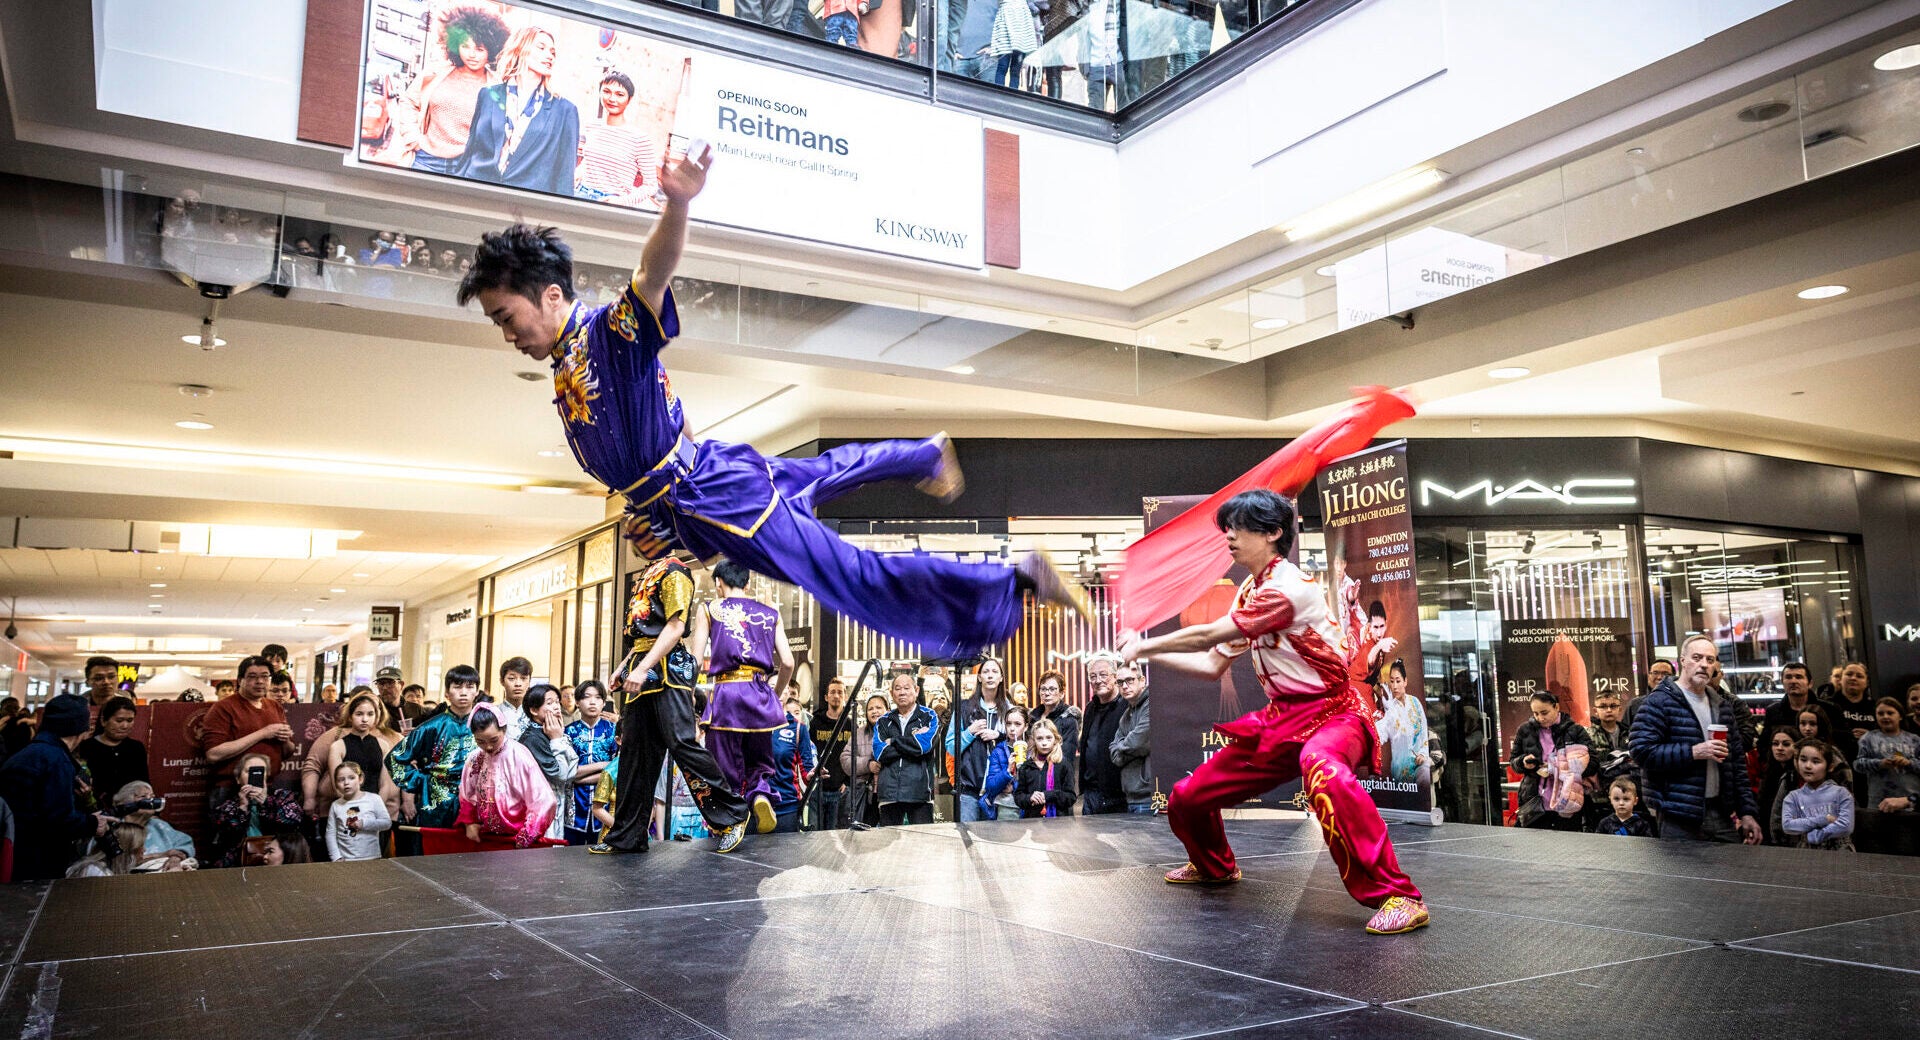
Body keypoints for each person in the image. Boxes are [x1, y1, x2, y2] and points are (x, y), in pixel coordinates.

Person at [457, 152, 1089, 665]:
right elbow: (659, 432)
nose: (507, 333)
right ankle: (920, 452)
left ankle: (1014, 578)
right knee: (822, 474)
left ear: (548, 294)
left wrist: (678, 202)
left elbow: (652, 273)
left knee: (851, 578)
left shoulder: (607, 336)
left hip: (710, 493)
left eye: (506, 317)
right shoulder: (570, 361)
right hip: (698, 492)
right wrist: (659, 518)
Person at [1123, 489, 1428, 935]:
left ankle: (1399, 895)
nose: (1228, 536)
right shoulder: (1250, 590)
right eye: (1227, 527)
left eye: (1238, 527)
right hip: (1283, 719)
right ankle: (1214, 866)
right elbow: (1212, 664)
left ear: (1272, 533)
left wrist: (1145, 643)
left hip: (1336, 713)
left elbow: (1211, 634)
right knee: (1188, 796)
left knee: (1321, 767)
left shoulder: (1287, 588)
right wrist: (1143, 657)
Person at [597, 556, 750, 855]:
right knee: (635, 751)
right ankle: (628, 835)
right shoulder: (648, 572)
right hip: (645, 666)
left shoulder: (676, 570)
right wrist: (625, 666)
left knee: (681, 743)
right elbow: (643, 635)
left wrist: (641, 668)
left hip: (667, 671)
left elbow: (675, 627)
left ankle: (731, 817)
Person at [1628, 634, 1762, 844]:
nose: (1703, 665)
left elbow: (1736, 763)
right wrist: (1693, 752)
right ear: (1682, 661)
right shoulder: (1659, 702)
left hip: (1721, 811)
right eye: (1697, 658)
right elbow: (1641, 751)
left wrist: (1747, 812)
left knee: (1731, 873)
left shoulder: (1721, 705)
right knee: (1683, 876)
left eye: (1710, 660)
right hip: (1678, 814)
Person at [692, 558, 792, 833]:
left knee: (723, 763)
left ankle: (730, 819)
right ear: (747, 583)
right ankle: (760, 794)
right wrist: (776, 695)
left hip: (726, 694)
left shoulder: (709, 609)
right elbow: (789, 662)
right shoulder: (770, 613)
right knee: (759, 760)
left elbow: (695, 660)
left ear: (718, 583)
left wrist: (687, 694)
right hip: (760, 694)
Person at [455, 26, 580, 195]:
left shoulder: (565, 111)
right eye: (541, 48)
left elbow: (565, 177)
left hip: (527, 206)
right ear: (520, 49)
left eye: (552, 52)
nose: (549, 55)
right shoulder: (488, 95)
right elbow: (470, 151)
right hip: (478, 192)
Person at [0, 695, 109, 881]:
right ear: (80, 727)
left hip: (12, 850)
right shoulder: (56, 760)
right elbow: (58, 819)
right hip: (37, 860)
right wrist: (91, 823)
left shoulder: (29, 753)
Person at [388, 665, 482, 836]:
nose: (463, 692)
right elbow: (395, 759)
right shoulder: (431, 726)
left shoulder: (484, 724)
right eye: (457, 687)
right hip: (437, 801)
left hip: (477, 801)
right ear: (447, 692)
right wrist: (422, 781)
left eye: (469, 687)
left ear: (477, 691)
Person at [456, 703, 558, 848]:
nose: (488, 747)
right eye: (480, 742)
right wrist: (470, 823)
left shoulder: (519, 755)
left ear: (503, 730)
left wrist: (526, 836)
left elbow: (544, 800)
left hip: (517, 838)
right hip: (486, 837)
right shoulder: (475, 758)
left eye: (494, 740)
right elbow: (466, 794)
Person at [1508, 692, 1593, 830]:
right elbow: (1513, 761)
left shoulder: (1575, 730)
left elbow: (1592, 763)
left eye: (1544, 712)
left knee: (1567, 847)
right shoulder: (1525, 730)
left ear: (1557, 707)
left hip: (1567, 801)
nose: (1540, 718)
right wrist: (1523, 762)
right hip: (1534, 801)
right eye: (1535, 714)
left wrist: (1557, 768)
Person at [574, 72, 661, 205]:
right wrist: (578, 172)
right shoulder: (591, 126)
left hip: (612, 203)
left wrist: (621, 201)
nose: (612, 99)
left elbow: (651, 186)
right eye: (607, 92)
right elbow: (589, 161)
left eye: (620, 94)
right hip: (580, 194)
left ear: (629, 99)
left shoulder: (640, 139)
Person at [201, 656, 295, 776]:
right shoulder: (223, 707)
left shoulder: (274, 706)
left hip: (269, 785)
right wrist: (263, 733)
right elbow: (213, 754)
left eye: (265, 676)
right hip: (231, 787)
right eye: (252, 676)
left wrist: (285, 739)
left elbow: (288, 752)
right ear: (240, 681)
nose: (260, 681)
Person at [209, 752, 306, 868]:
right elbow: (226, 835)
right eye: (248, 771)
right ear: (238, 778)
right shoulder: (228, 805)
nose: (254, 775)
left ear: (267, 776)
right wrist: (242, 807)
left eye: (260, 770)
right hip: (239, 861)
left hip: (279, 859)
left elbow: (294, 821)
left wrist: (266, 802)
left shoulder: (282, 796)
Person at [949, 657, 1015, 823]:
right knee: (968, 841)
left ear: (1001, 678)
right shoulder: (964, 707)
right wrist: (969, 732)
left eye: (995, 672)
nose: (990, 676)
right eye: (986, 672)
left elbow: (1020, 743)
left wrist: (999, 735)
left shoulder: (1010, 710)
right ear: (979, 677)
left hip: (1001, 790)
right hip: (969, 789)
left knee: (996, 843)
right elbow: (950, 747)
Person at [1854, 697, 1919, 856]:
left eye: (1890, 713)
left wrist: (1909, 763)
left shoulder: (1915, 740)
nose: (1885, 716)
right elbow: (1858, 765)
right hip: (1878, 802)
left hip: (1910, 803)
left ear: (1900, 716)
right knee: (1880, 849)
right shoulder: (1868, 738)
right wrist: (1879, 763)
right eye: (1880, 713)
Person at [516, 684, 579, 842]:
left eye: (557, 702)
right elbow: (561, 774)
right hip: (539, 807)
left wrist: (558, 736)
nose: (557, 707)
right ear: (534, 710)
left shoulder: (551, 730)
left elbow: (573, 769)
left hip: (556, 803)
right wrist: (557, 739)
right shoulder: (532, 738)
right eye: (550, 703)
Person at [874, 674, 939, 826]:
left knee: (922, 843)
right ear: (892, 694)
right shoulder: (883, 721)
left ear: (916, 690)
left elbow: (923, 746)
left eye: (906, 688)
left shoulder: (929, 716)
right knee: (888, 843)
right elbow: (880, 753)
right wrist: (911, 742)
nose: (902, 692)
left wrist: (894, 741)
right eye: (897, 689)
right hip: (889, 793)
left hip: (919, 793)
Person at [563, 680, 617, 844]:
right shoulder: (569, 732)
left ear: (603, 702)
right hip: (574, 803)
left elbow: (616, 770)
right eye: (587, 697)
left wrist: (578, 776)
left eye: (598, 697)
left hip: (606, 805)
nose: (592, 702)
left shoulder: (612, 731)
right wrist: (603, 765)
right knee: (572, 855)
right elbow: (566, 771)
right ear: (578, 702)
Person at [1781, 738, 1855, 851]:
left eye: (1816, 761)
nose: (1808, 766)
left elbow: (1846, 826)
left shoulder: (1841, 793)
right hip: (1806, 850)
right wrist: (1823, 819)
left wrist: (1817, 835)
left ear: (1830, 767)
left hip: (1840, 850)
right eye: (1803, 760)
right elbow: (1788, 825)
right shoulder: (1793, 797)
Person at [76, 696, 148, 811]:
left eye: (130, 720)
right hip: (94, 811)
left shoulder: (136, 748)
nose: (125, 726)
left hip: (131, 811)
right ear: (104, 721)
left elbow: (144, 782)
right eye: (119, 721)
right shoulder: (86, 747)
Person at [1079, 653, 1127, 815]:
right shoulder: (1090, 708)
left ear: (1115, 677)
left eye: (1103, 675)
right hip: (1091, 794)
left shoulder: (1127, 707)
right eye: (1093, 676)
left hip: (1118, 795)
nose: (1098, 680)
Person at [110, 781, 195, 864]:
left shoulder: (158, 825)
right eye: (143, 796)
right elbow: (121, 862)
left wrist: (176, 857)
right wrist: (162, 855)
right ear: (126, 803)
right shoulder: (115, 827)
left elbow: (185, 844)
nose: (151, 801)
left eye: (152, 796)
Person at [326, 762, 392, 862]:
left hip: (372, 858)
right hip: (345, 861)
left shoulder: (374, 799)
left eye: (351, 778)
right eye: (341, 780)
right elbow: (330, 833)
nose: (346, 783)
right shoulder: (336, 805)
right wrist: (336, 857)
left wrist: (364, 824)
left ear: (360, 779)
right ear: (336, 784)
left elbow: (386, 823)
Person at [840, 693, 889, 829]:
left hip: (890, 794)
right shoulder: (859, 733)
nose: (875, 711)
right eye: (870, 709)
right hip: (865, 794)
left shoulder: (895, 732)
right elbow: (845, 760)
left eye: (879, 707)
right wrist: (868, 765)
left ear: (888, 710)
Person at [1378, 660, 1430, 786]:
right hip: (1401, 772)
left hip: (1419, 766)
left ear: (1405, 681)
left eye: (1398, 681)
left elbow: (1423, 733)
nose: (1394, 686)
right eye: (1391, 681)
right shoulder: (1390, 708)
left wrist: (1423, 754)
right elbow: (1380, 734)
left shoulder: (1415, 703)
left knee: (1424, 778)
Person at [1110, 663, 1153, 814]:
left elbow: (1138, 742)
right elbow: (1114, 754)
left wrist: (1122, 746)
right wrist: (1127, 747)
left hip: (1150, 797)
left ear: (1142, 680)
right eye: (1120, 682)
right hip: (1132, 797)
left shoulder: (1153, 705)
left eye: (1130, 680)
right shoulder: (1125, 716)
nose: (1125, 686)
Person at [810, 678, 852, 829]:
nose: (836, 696)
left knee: (836, 837)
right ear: (826, 697)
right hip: (818, 789)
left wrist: (847, 782)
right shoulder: (815, 723)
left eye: (840, 692)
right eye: (832, 692)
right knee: (814, 834)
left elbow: (854, 755)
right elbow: (809, 752)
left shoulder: (850, 724)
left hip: (840, 790)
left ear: (845, 697)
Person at [767, 708, 816, 833]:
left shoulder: (798, 728)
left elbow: (807, 771)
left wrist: (812, 776)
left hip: (786, 807)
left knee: (788, 852)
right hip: (754, 807)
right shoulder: (752, 723)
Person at [1017, 717, 1076, 818]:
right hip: (1033, 822)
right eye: (1039, 738)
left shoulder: (1063, 764)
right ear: (1033, 740)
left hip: (1060, 823)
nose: (1044, 743)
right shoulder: (1026, 766)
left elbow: (1071, 797)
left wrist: (1048, 795)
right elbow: (1018, 796)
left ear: (1055, 739)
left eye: (1049, 738)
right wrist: (1030, 797)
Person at [1030, 669, 1080, 784]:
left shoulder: (1069, 719)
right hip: (1033, 778)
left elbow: (1067, 756)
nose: (1047, 693)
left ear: (1062, 693)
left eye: (1052, 689)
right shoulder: (1033, 717)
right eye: (1043, 689)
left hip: (1058, 779)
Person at [979, 707, 1028, 819]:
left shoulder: (1032, 750)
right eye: (1008, 724)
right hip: (1006, 808)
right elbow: (990, 786)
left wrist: (1014, 787)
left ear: (1026, 727)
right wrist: (1007, 772)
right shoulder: (998, 751)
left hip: (1029, 808)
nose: (1012, 728)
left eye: (1017, 724)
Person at [1822, 663, 1876, 762]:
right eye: (1849, 674)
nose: (1853, 678)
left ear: (1866, 682)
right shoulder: (1827, 705)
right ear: (1841, 679)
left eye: (1859, 676)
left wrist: (1870, 736)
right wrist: (1849, 736)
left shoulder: (1876, 707)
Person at [65, 822, 155, 878]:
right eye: (140, 846)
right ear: (128, 850)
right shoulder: (95, 872)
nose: (144, 850)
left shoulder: (105, 870)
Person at [1757, 728, 1799, 844]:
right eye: (1775, 744)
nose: (1779, 748)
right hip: (1767, 835)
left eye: (1786, 744)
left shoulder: (1798, 776)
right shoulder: (1769, 772)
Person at [1763, 662, 1824, 736]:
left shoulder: (1828, 710)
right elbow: (1765, 743)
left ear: (1810, 683)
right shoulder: (1773, 712)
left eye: (1799, 677)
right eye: (1788, 677)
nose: (1793, 681)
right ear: (1782, 683)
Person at [1586, 776, 1653, 838]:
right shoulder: (1604, 823)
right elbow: (1598, 844)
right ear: (1611, 800)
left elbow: (1646, 847)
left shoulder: (1642, 825)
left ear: (1635, 801)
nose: (1621, 803)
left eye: (1626, 799)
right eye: (1616, 799)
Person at [495, 657, 533, 741]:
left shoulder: (536, 713)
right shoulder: (493, 712)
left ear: (529, 681)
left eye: (523, 678)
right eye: (511, 679)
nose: (518, 684)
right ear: (502, 681)